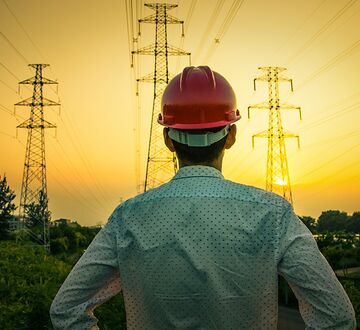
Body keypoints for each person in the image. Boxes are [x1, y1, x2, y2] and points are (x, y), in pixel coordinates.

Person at [50, 66, 356, 329]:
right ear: (231, 135)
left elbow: (66, 309)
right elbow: (337, 317)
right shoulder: (272, 214)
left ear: (168, 139)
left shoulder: (127, 217)